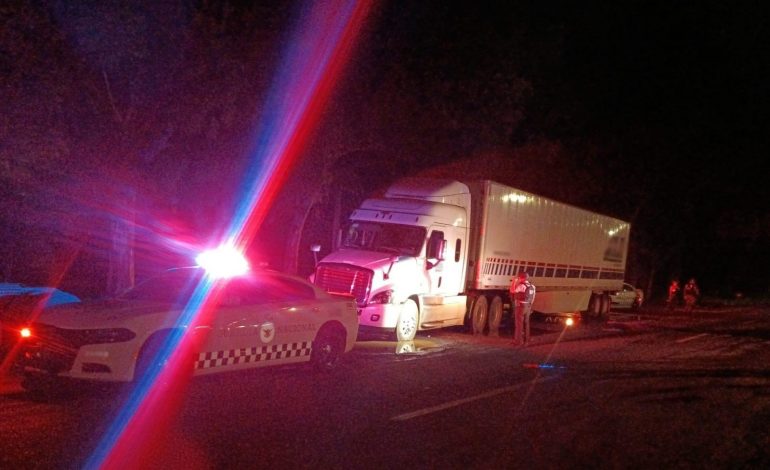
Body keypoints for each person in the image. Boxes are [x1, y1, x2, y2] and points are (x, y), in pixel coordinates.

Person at [510, 271, 536, 346]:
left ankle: (518, 341)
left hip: (520, 306)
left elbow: (512, 290)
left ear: (521, 278)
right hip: (528, 306)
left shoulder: (522, 286)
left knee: (519, 324)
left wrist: (514, 282)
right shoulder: (532, 287)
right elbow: (533, 298)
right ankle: (526, 340)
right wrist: (529, 306)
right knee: (526, 323)